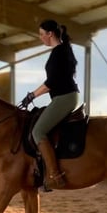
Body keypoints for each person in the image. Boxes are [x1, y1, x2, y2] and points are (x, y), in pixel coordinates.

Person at [19, 19, 80, 189]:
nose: (41, 38)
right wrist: (33, 95)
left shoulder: (59, 53)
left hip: (65, 97)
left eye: (41, 34)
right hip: (65, 96)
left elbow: (50, 82)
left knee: (38, 131)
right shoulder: (61, 51)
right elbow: (51, 83)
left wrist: (32, 95)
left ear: (50, 34)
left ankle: (55, 174)